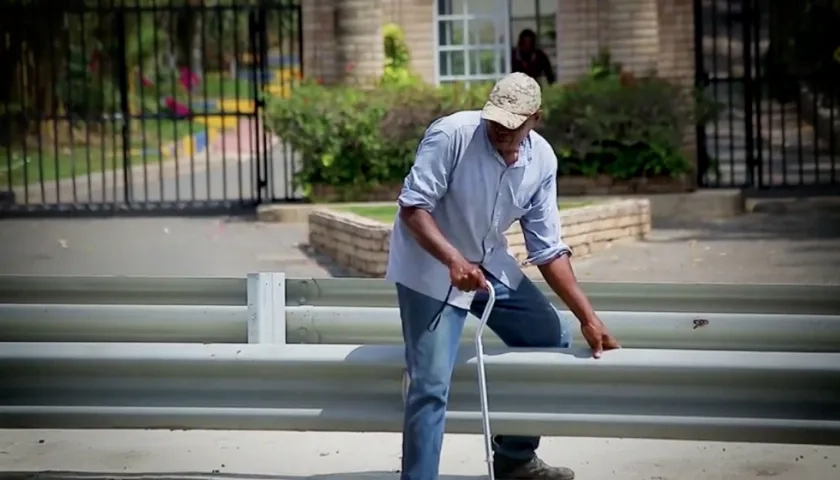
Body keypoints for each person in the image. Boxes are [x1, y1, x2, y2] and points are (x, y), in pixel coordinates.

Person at [386, 72, 620, 480]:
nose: (501, 131)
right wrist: (452, 260)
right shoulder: (451, 135)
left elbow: (547, 249)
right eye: (495, 121)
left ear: (535, 119)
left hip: (488, 264)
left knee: (548, 336)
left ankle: (515, 459)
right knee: (430, 385)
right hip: (429, 265)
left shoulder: (542, 159)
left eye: (513, 125)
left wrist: (588, 317)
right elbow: (413, 208)